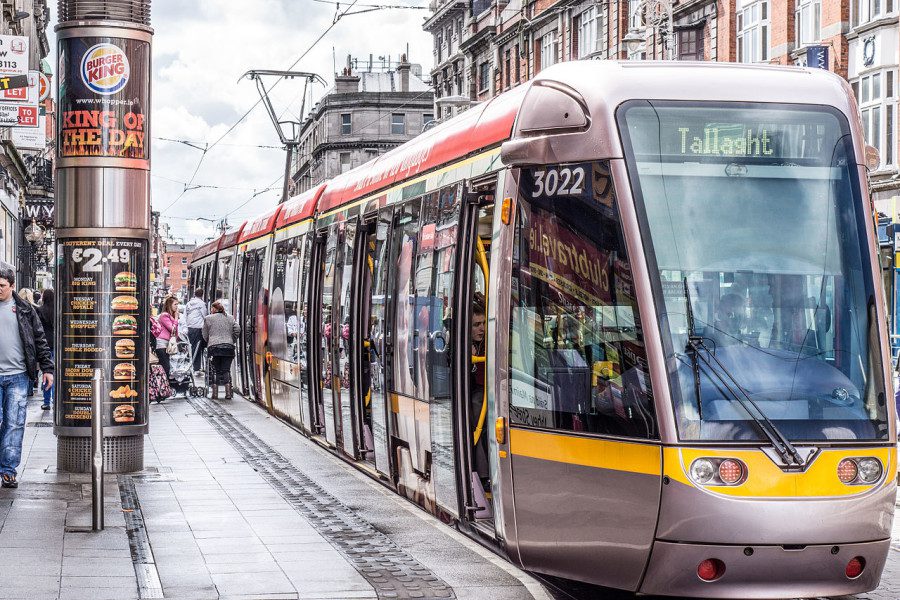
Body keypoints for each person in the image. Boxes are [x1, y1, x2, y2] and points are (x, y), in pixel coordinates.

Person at [0, 266, 53, 488]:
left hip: (18, 376)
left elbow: (39, 339)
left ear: (12, 286)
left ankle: (8, 470)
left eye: (1, 286)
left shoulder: (25, 310)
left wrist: (47, 368)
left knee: (14, 423)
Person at [202, 301, 239, 399]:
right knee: (226, 370)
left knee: (216, 370)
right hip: (228, 347)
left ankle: (215, 394)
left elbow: (205, 334)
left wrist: (210, 341)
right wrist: (232, 339)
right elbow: (237, 329)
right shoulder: (230, 318)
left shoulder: (208, 318)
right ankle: (228, 394)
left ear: (214, 309)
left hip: (214, 348)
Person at [37, 289, 55, 410]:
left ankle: (46, 401)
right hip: (55, 343)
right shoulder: (57, 310)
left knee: (46, 372)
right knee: (54, 373)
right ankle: (55, 399)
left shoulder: (40, 310)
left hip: (44, 343)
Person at [154, 296, 179, 379]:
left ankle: (165, 387)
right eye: (175, 304)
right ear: (169, 305)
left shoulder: (169, 316)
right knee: (165, 367)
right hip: (162, 344)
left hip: (166, 344)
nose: (177, 306)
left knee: (166, 367)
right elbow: (172, 330)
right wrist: (176, 318)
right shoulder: (164, 315)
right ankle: (164, 387)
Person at [185, 289, 208, 373]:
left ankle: (191, 364)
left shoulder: (188, 304)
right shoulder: (201, 304)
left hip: (190, 328)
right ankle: (196, 367)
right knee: (198, 348)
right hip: (198, 328)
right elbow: (205, 316)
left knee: (191, 347)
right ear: (202, 295)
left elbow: (185, 315)